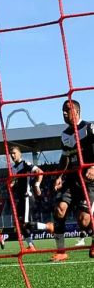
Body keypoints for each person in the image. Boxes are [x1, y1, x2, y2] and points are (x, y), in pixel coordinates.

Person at [51, 98, 94, 261]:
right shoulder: (65, 135)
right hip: (72, 179)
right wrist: (59, 176)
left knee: (84, 221)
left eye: (67, 110)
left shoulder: (89, 128)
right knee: (59, 210)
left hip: (90, 181)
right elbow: (65, 158)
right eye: (62, 110)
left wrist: (93, 167)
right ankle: (61, 251)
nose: (63, 113)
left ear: (76, 111)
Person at [7, 145, 45, 251]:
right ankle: (31, 246)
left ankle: (49, 227)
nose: (12, 155)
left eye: (14, 153)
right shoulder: (13, 168)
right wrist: (11, 184)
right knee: (19, 224)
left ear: (20, 154)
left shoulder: (25, 163)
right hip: (20, 198)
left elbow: (39, 171)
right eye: (11, 154)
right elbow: (14, 182)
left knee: (25, 223)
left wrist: (37, 184)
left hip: (27, 197)